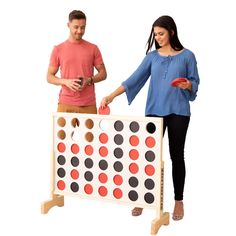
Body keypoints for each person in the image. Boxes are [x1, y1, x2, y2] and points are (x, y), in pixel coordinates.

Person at [101, 15, 200, 220]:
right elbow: (133, 79)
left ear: (172, 32)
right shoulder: (152, 57)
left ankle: (179, 201)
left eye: (161, 33)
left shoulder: (188, 56)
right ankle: (143, 198)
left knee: (176, 156)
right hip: (154, 111)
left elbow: (195, 83)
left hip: (179, 112)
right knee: (148, 156)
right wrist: (111, 96)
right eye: (155, 34)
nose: (158, 37)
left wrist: (188, 85)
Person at [47, 10, 107, 116]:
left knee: (91, 134)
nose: (79, 31)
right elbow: (49, 77)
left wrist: (89, 80)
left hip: (88, 105)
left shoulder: (93, 48)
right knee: (60, 133)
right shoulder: (58, 49)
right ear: (68, 25)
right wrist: (66, 82)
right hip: (65, 104)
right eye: (76, 27)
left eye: (83, 27)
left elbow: (103, 74)